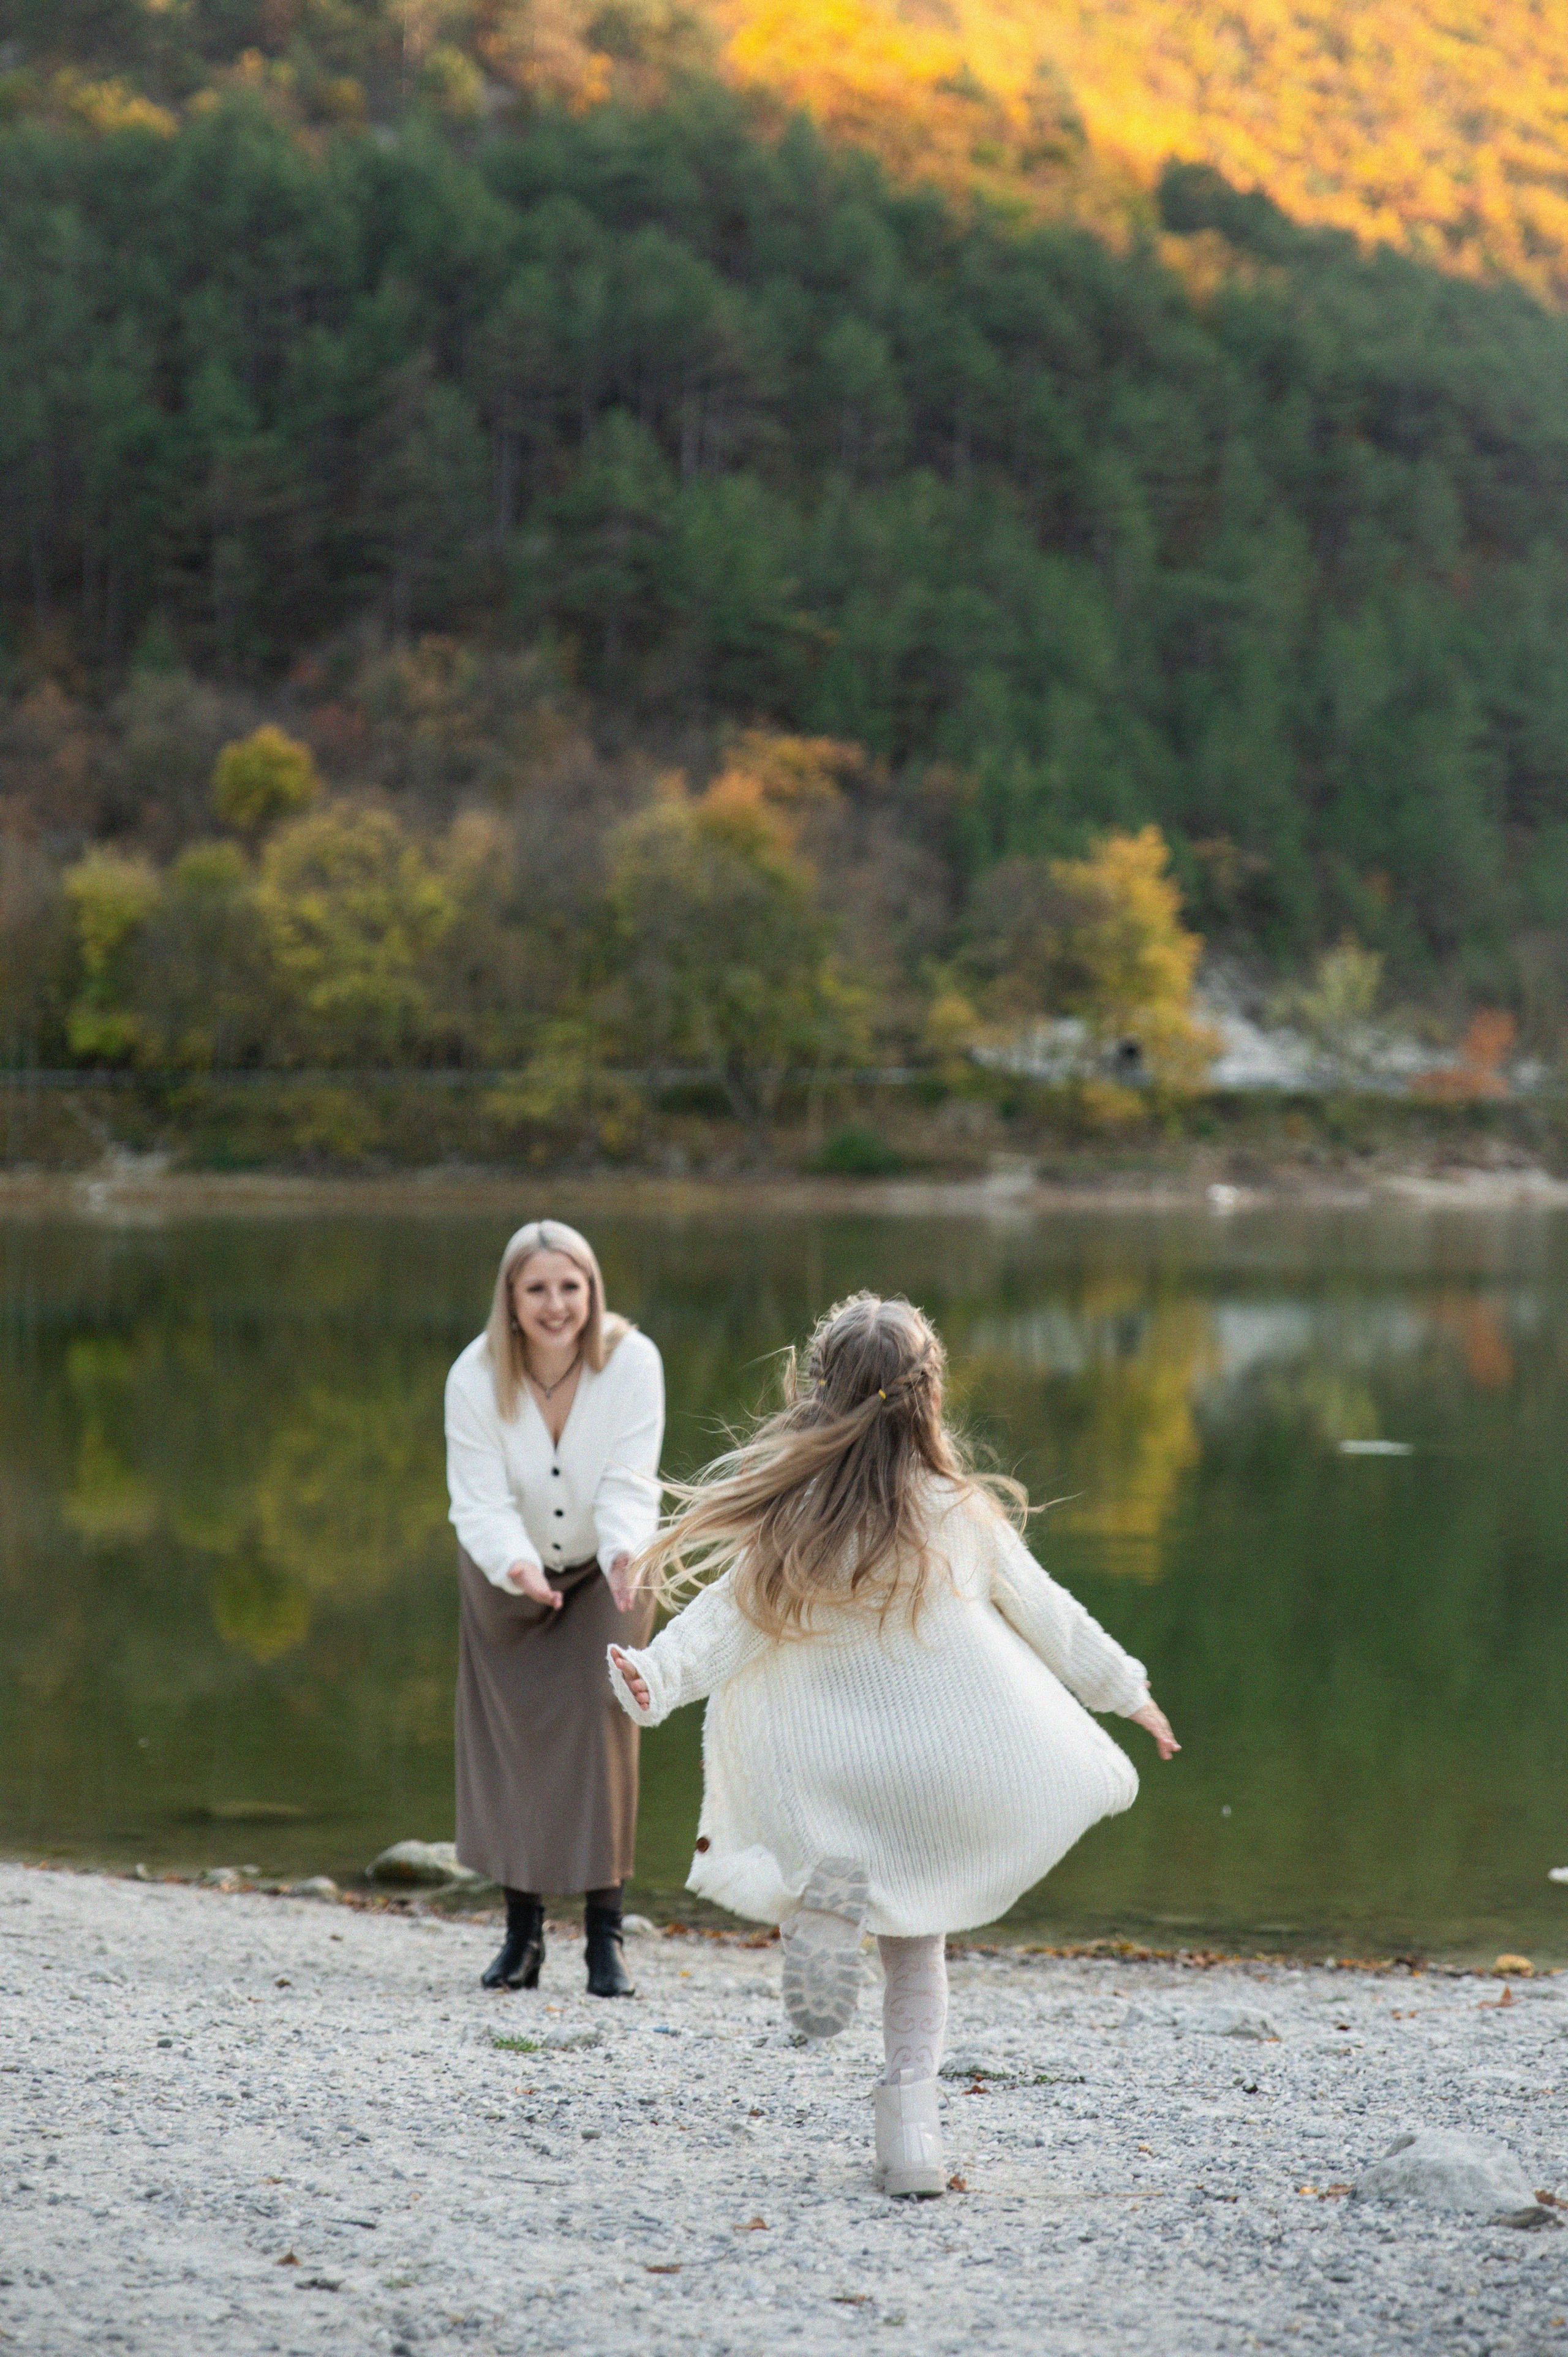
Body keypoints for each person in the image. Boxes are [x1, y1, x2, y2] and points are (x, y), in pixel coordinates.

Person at [608, 1291, 1178, 2196]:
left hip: (831, 1772)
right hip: (930, 1777)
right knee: (918, 1947)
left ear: (819, 1392)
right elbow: (1052, 1619)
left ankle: (822, 1926)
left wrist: (657, 1676)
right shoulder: (959, 1509)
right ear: (930, 1397)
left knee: (830, 1864)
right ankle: (910, 2132)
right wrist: (1129, 1692)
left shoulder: (793, 1515)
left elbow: (723, 1624)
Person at [445, 1217, 663, 1998]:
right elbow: (477, 1500)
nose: (556, 1304)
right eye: (537, 1288)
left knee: (606, 1725)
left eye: (570, 1286)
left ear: (591, 1289)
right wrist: (515, 1564)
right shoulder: (474, 1376)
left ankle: (606, 1938)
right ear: (510, 1295)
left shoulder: (633, 1361)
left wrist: (623, 1554)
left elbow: (632, 1484)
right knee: (516, 1740)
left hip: (615, 1566)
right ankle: (521, 1934)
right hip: (507, 1572)